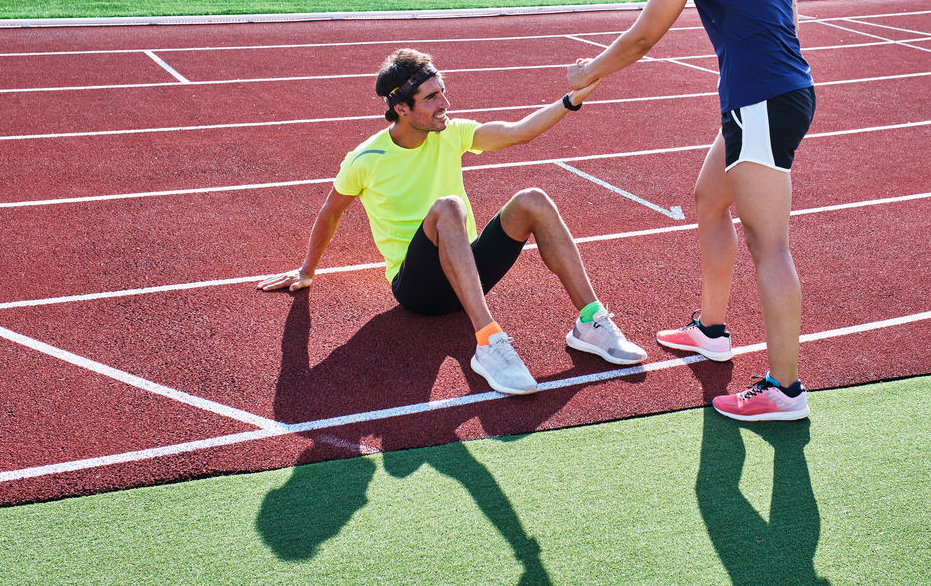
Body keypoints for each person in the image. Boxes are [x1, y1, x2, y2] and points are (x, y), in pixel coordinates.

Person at [567, 0, 814, 422]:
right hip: (772, 96)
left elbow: (645, 36)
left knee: (769, 245)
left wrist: (588, 72)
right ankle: (711, 330)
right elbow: (789, 15)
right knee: (708, 200)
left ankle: (785, 390)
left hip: (760, 102)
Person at [258, 48, 647, 396]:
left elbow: (517, 133)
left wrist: (571, 99)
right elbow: (332, 210)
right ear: (402, 108)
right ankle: (488, 342)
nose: (444, 102)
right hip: (417, 289)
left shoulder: (450, 133)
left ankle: (591, 324)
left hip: (468, 274)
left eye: (442, 91)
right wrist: (307, 270)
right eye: (431, 97)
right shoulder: (366, 159)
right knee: (449, 207)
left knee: (533, 201)